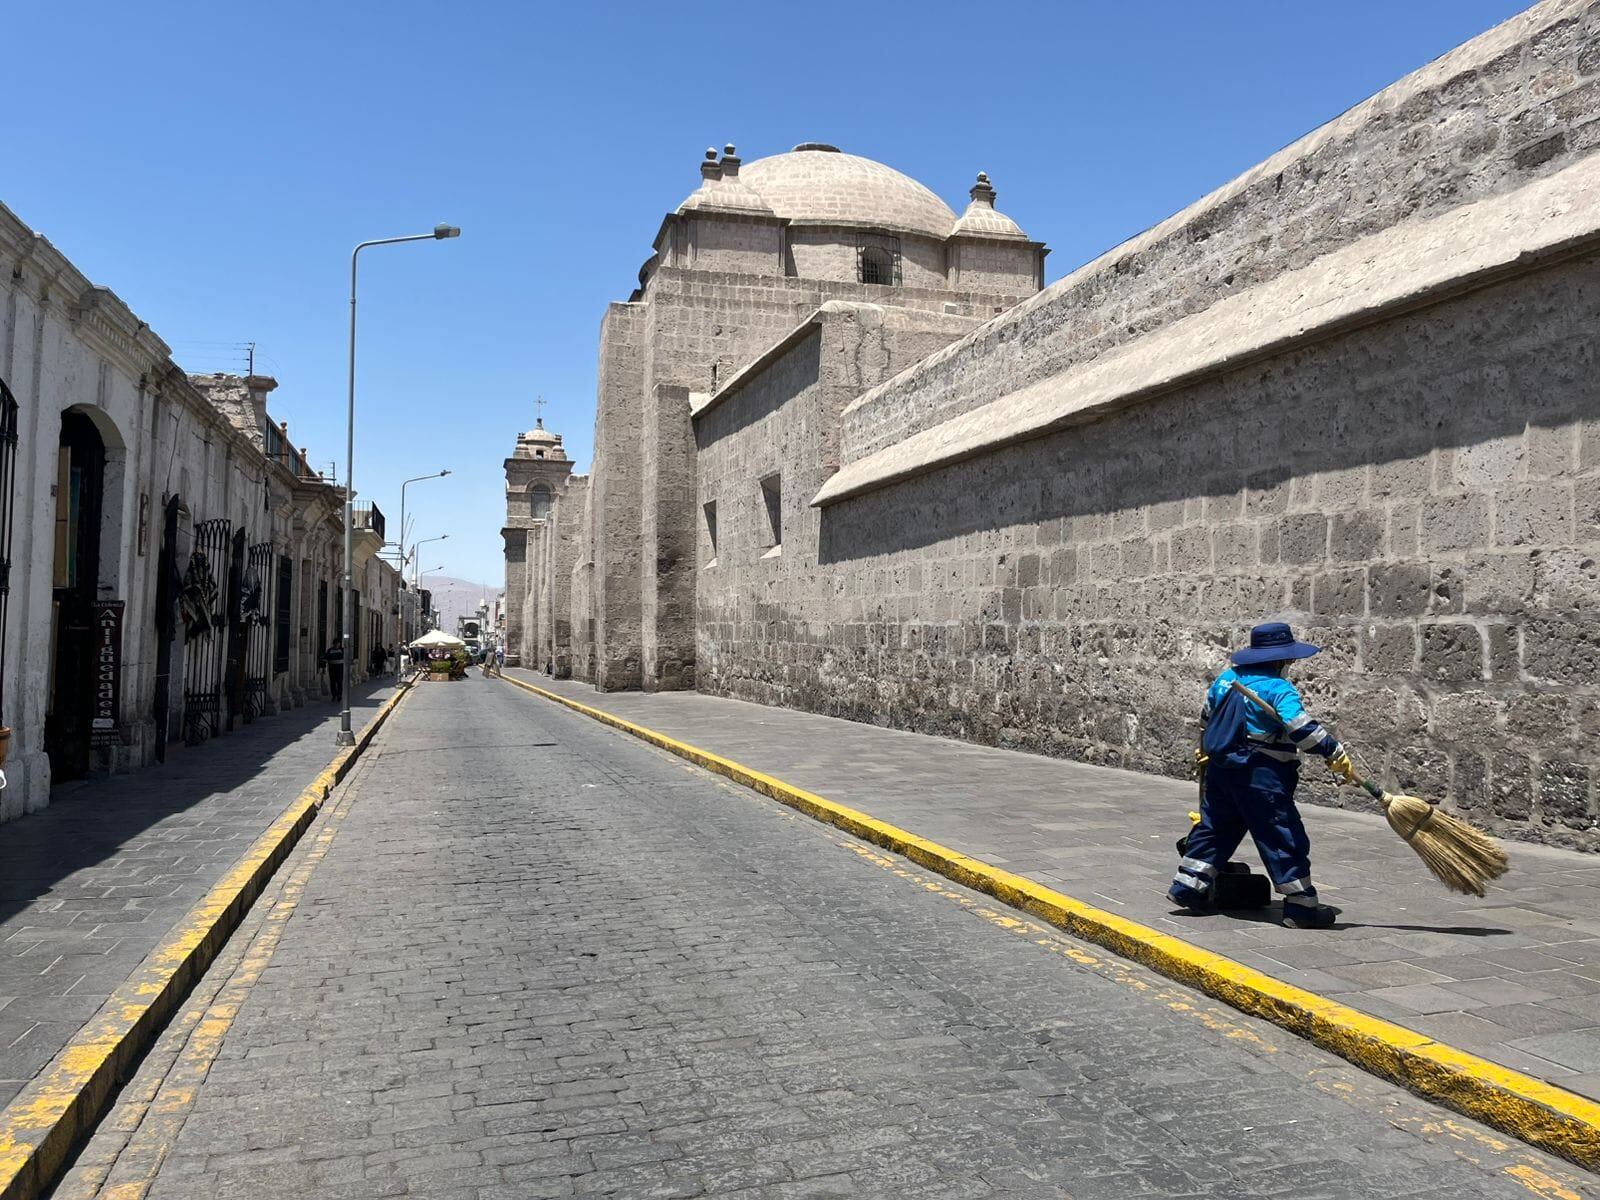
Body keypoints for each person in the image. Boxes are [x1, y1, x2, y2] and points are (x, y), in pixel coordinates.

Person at [1168, 622, 1355, 929]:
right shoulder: (1278, 689)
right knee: (1281, 834)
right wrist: (1332, 751)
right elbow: (1300, 729)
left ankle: (1189, 888)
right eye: (1289, 659)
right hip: (1260, 775)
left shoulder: (1226, 680)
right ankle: (1302, 906)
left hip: (1221, 770)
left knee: (1215, 828)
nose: (1291, 664)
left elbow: (1205, 718)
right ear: (1281, 659)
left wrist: (1204, 752)